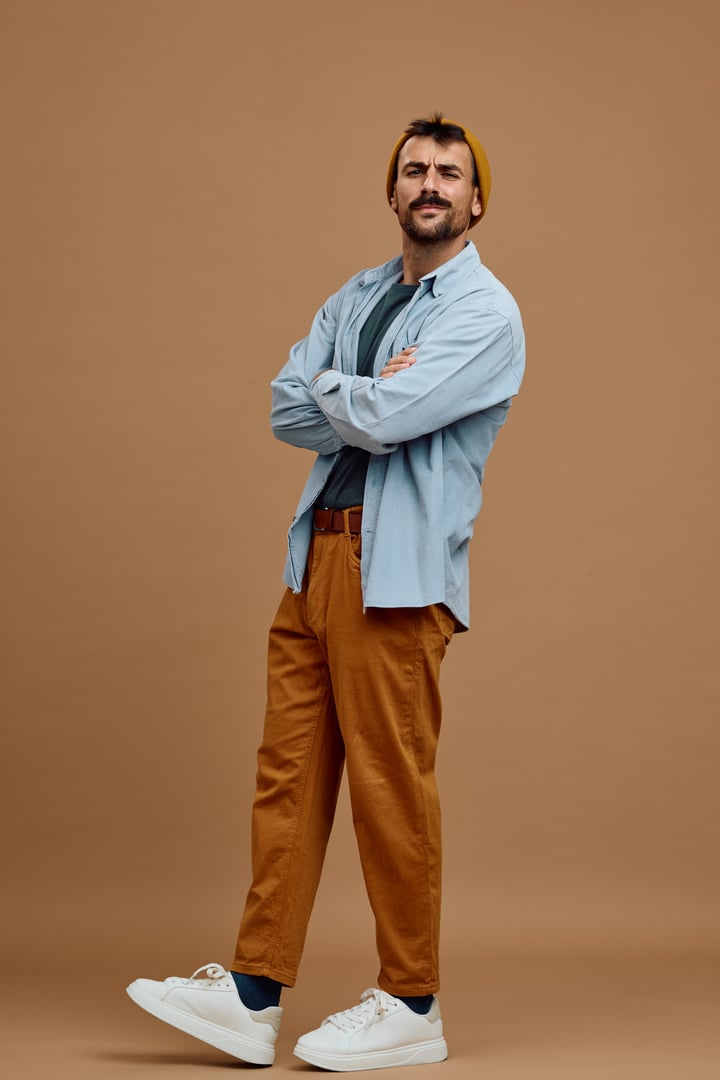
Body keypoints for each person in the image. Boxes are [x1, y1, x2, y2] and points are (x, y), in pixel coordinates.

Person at [127, 112, 525, 1072]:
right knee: (288, 781)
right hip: (315, 561)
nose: (429, 184)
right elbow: (283, 405)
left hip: (395, 581)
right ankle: (254, 994)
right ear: (393, 191)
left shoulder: (485, 311)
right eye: (414, 170)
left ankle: (412, 1000)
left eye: (448, 173)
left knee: (390, 791)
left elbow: (386, 416)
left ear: (477, 199)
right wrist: (359, 391)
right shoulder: (356, 294)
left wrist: (341, 391)